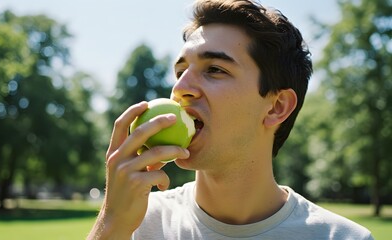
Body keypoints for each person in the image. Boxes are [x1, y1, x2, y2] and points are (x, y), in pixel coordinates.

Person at [87, 0, 373, 239]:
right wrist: (110, 225)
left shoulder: (343, 237)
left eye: (214, 69)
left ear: (276, 107)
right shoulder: (136, 224)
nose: (180, 88)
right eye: (180, 71)